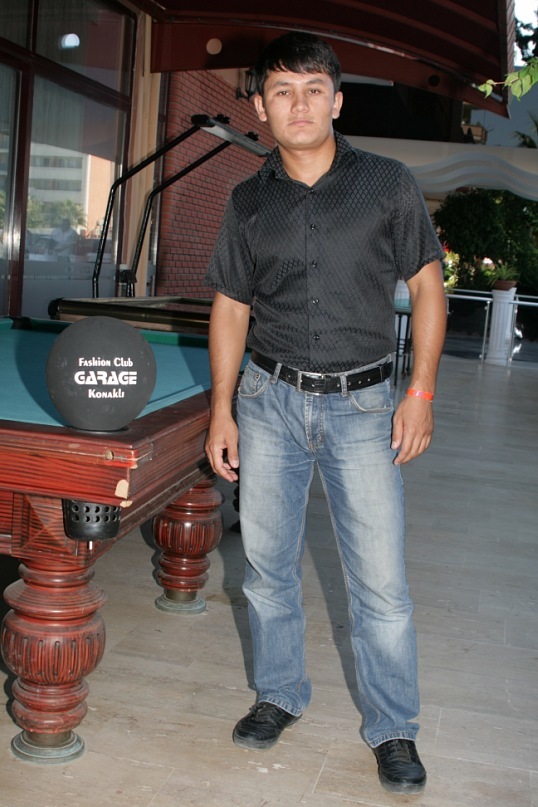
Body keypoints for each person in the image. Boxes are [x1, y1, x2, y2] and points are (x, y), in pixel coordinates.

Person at [205, 31, 447, 796]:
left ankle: (394, 725)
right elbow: (230, 306)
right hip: (267, 401)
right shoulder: (248, 200)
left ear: (338, 101)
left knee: (379, 582)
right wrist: (221, 409)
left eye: (314, 89)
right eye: (283, 90)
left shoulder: (387, 184)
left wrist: (421, 390)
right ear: (261, 106)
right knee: (266, 568)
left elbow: (429, 287)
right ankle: (279, 692)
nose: (299, 104)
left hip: (364, 405)